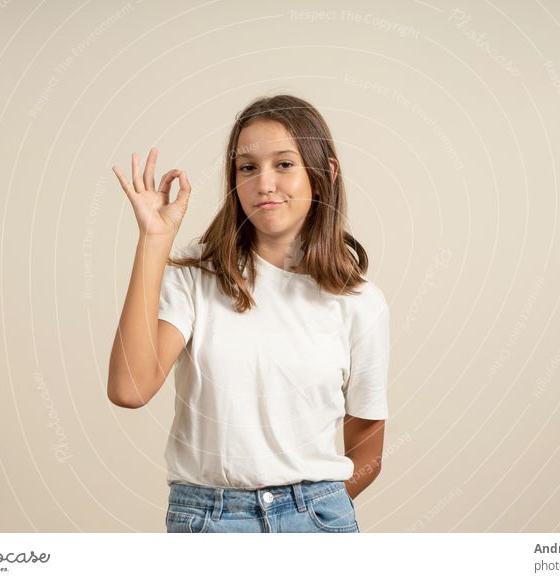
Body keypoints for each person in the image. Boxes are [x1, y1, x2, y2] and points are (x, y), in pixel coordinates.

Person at [108, 94, 390, 533]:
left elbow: (368, 450)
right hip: (209, 520)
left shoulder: (360, 301)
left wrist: (317, 510)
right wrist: (153, 240)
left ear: (326, 174)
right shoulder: (195, 276)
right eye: (247, 167)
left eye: (283, 164)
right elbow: (130, 388)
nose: (264, 184)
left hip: (316, 521)